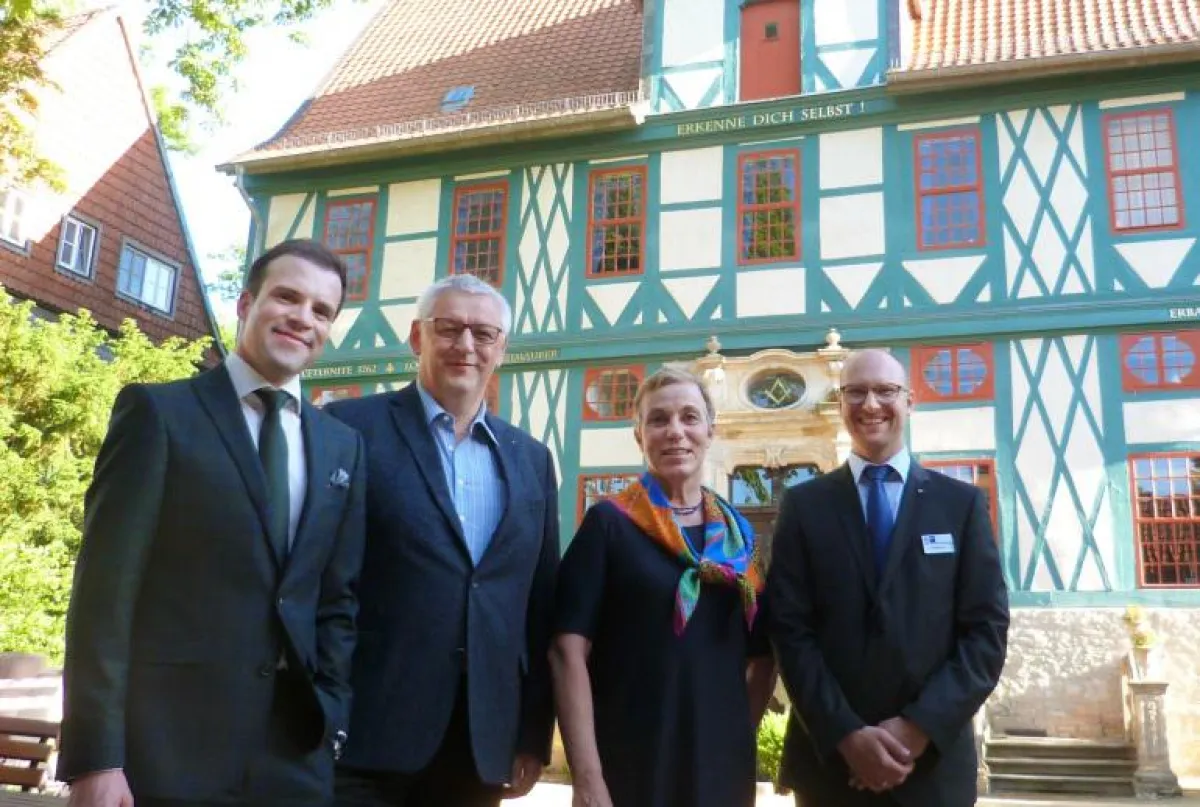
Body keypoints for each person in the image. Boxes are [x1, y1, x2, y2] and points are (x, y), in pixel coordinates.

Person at [59, 239, 368, 807]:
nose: (303, 317)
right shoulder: (159, 415)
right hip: (165, 754)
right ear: (246, 304)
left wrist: (332, 717)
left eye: (321, 310)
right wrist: (97, 757)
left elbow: (336, 601)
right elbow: (104, 597)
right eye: (287, 297)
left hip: (294, 764)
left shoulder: (343, 446)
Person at [326, 274, 559, 807]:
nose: (466, 345)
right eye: (449, 328)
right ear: (417, 337)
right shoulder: (348, 429)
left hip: (478, 742)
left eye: (483, 333)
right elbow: (320, 577)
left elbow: (540, 604)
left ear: (501, 348)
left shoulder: (531, 459)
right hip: (365, 732)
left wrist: (531, 733)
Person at [767, 348, 1009, 807]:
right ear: (841, 403)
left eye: (885, 391)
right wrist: (847, 735)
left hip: (931, 766)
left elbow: (986, 632)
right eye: (855, 392)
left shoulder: (960, 506)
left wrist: (916, 729)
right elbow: (789, 630)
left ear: (909, 401)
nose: (870, 404)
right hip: (831, 768)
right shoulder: (804, 507)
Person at [551, 367, 777, 807]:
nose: (675, 431)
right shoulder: (609, 525)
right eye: (658, 419)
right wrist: (588, 776)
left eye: (689, 417)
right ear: (639, 435)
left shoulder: (738, 536)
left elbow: (762, 656)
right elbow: (566, 652)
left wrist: (733, 736)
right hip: (630, 764)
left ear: (710, 431)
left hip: (720, 773)